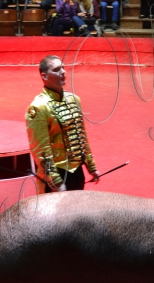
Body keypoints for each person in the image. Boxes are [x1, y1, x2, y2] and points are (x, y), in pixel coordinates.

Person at [26, 55, 100, 193]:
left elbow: (82, 136)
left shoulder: (74, 99)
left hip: (77, 171)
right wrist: (55, 182)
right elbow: (40, 149)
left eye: (63, 68)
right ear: (44, 76)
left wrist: (91, 166)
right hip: (57, 173)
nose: (63, 72)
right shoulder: (38, 107)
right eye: (57, 69)